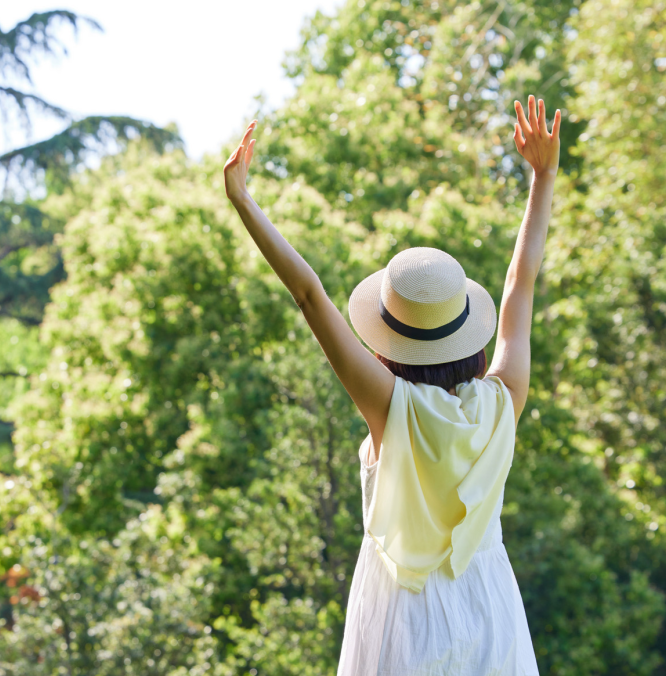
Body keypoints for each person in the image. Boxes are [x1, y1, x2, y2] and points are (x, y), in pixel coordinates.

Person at [223, 95, 560, 675]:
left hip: (405, 615)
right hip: (490, 607)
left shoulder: (388, 405)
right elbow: (520, 283)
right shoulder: (504, 400)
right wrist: (544, 175)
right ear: (467, 336)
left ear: (390, 343)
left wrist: (243, 200)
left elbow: (309, 295)